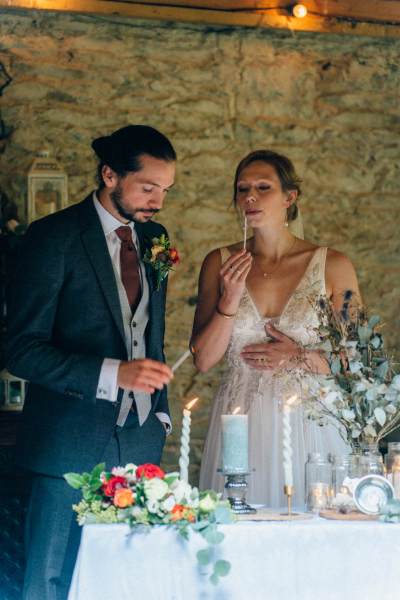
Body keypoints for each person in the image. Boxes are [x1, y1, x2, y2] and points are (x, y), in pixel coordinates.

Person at [6, 124, 176, 599]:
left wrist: (159, 412)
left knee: (129, 581)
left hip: (141, 445)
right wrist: (112, 373)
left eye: (165, 189)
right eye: (148, 187)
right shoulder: (52, 238)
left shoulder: (155, 238)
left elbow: (149, 335)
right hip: (66, 444)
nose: (157, 201)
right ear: (109, 175)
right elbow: (20, 349)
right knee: (51, 581)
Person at [192, 149, 361, 509]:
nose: (250, 197)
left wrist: (298, 355)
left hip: (311, 426)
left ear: (289, 197)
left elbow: (354, 365)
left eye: (263, 187)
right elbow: (204, 360)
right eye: (242, 189)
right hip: (241, 423)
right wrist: (230, 300)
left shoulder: (333, 265)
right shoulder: (218, 263)